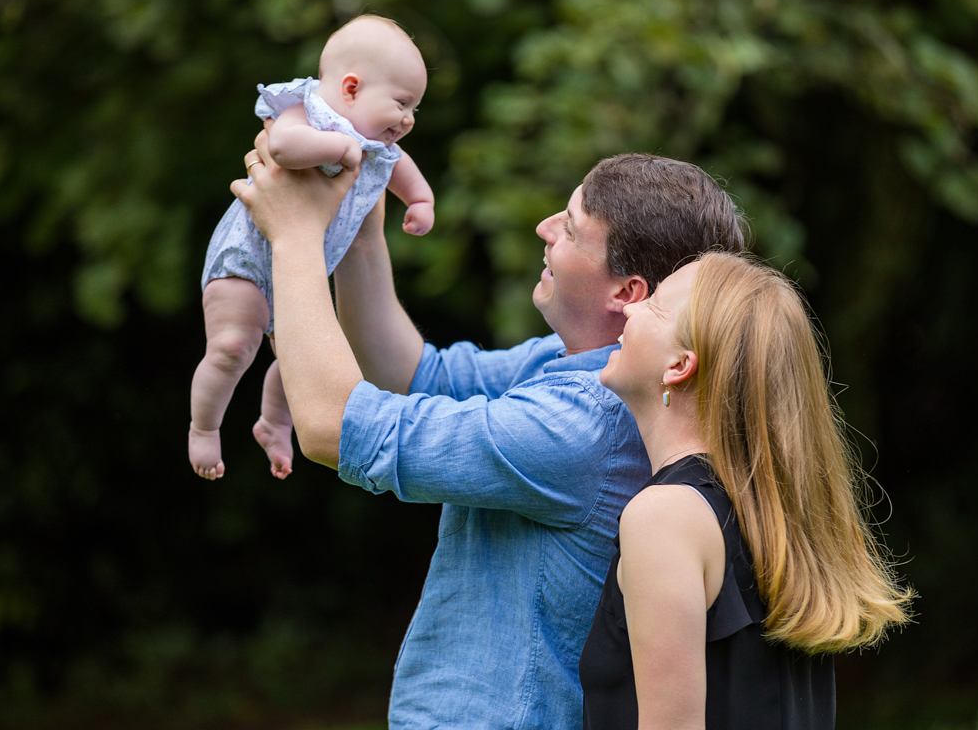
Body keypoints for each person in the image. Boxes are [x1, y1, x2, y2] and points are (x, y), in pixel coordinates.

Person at [230, 143, 747, 729]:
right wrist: (361, 223)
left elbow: (331, 426)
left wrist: (295, 237)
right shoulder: (586, 366)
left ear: (626, 294)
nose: (544, 228)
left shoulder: (583, 422)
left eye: (572, 229)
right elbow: (411, 376)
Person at [579, 251, 915, 729]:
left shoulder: (664, 518)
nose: (629, 308)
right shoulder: (774, 518)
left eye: (654, 304)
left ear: (680, 365)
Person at [190, 15, 434, 481]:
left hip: (299, 269)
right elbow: (280, 146)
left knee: (305, 363)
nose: (407, 119)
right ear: (350, 88)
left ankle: (274, 423)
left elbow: (407, 174)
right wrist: (339, 147)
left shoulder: (381, 146)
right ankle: (204, 427)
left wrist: (421, 201)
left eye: (415, 110)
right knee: (231, 346)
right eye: (402, 103)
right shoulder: (309, 109)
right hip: (246, 259)